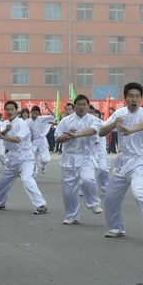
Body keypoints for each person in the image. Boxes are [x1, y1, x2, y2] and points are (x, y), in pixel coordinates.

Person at [99, 82, 143, 242]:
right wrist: (113, 124)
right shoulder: (119, 113)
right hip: (124, 162)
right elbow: (101, 132)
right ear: (125, 98)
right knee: (111, 197)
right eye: (131, 96)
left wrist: (129, 130)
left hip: (141, 162)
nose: (134, 99)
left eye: (137, 96)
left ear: (141, 98)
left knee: (140, 193)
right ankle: (116, 228)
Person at [0, 101, 47, 214]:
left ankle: (40, 205)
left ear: (16, 110)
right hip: (12, 158)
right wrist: (5, 131)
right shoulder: (4, 123)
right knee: (2, 182)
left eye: (11, 109)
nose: (9, 112)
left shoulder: (22, 123)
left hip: (26, 157)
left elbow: (18, 139)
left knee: (26, 179)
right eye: (7, 109)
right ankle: (0, 204)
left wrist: (4, 135)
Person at [54, 95, 103, 224]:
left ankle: (94, 203)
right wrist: (67, 135)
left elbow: (93, 131)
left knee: (88, 179)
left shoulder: (94, 120)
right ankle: (72, 216)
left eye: (84, 104)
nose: (81, 107)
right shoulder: (65, 121)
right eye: (78, 104)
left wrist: (76, 134)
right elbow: (58, 138)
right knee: (69, 191)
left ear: (88, 106)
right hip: (69, 158)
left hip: (86, 156)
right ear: (74, 106)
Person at [29, 105, 56, 175]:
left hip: (42, 141)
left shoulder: (42, 119)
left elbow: (53, 117)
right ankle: (33, 173)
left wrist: (48, 109)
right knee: (32, 158)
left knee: (46, 159)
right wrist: (29, 137)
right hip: (33, 142)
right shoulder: (28, 122)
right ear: (31, 113)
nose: (34, 115)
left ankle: (43, 165)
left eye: (36, 113)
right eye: (33, 113)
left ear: (38, 114)